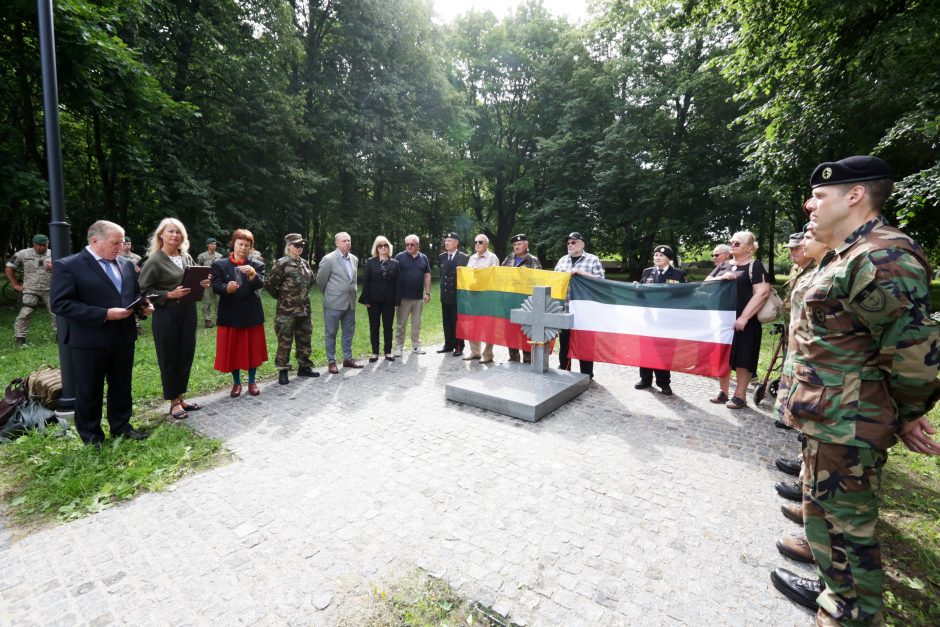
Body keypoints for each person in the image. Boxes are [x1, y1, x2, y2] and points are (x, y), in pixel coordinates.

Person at [770, 156, 940, 626]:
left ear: (855, 195)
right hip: (829, 415)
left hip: (852, 420)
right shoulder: (846, 252)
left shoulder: (882, 257)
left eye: (820, 196)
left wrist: (908, 412)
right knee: (827, 515)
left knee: (848, 527)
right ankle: (835, 592)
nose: (810, 204)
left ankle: (852, 615)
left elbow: (913, 351)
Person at [50, 220, 152, 445]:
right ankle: (92, 437)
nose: (121, 247)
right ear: (94, 240)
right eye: (115, 242)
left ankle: (122, 427)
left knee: (121, 385)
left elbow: (132, 294)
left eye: (123, 242)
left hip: (123, 337)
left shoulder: (125, 264)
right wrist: (104, 314)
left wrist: (142, 306)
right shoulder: (69, 265)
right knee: (89, 390)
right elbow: (61, 304)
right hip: (90, 340)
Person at [772, 228, 832, 564]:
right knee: (810, 443)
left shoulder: (841, 266)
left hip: (836, 384)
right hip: (807, 365)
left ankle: (827, 557)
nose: (799, 247)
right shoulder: (814, 270)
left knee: (837, 478)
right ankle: (806, 486)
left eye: (806, 239)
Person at [139, 218, 209, 420]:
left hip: (188, 312)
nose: (175, 235)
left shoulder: (185, 257)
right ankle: (173, 402)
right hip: (166, 314)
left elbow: (192, 279)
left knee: (185, 354)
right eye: (171, 231)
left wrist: (202, 283)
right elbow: (143, 291)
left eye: (179, 232)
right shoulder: (154, 260)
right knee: (169, 356)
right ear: (161, 234)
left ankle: (181, 396)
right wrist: (168, 295)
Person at [704, 230, 770, 408]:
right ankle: (723, 392)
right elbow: (705, 284)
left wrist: (744, 317)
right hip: (723, 320)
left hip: (745, 321)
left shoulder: (754, 265)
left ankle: (740, 395)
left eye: (737, 243)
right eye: (731, 242)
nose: (732, 245)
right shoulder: (724, 264)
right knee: (723, 355)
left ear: (750, 248)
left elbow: (762, 292)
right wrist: (721, 277)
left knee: (743, 358)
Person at [211, 228, 268, 397]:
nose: (243, 248)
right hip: (230, 314)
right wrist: (226, 288)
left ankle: (252, 382)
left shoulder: (257, 265)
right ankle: (236, 383)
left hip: (251, 314)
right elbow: (215, 285)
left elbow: (260, 284)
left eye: (247, 245)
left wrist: (252, 275)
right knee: (233, 350)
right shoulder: (219, 264)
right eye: (240, 244)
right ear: (233, 244)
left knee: (252, 350)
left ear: (251, 248)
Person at [266, 233, 319, 385]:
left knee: (304, 339)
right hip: (286, 312)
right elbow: (269, 285)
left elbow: (310, 283)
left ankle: (304, 367)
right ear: (288, 246)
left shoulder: (305, 263)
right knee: (285, 341)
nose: (300, 248)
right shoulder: (281, 263)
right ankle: (283, 370)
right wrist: (282, 298)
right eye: (297, 245)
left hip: (304, 310)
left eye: (302, 245)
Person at [634, 245, 687, 395]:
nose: (657, 257)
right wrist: (636, 289)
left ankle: (664, 383)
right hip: (648, 319)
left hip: (667, 321)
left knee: (664, 351)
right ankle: (645, 379)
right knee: (646, 349)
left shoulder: (678, 274)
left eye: (661, 256)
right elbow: (641, 296)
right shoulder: (647, 272)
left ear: (668, 258)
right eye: (656, 255)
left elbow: (684, 297)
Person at [554, 231, 605, 378]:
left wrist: (582, 273)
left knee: (585, 342)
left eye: (573, 242)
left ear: (582, 243)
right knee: (564, 341)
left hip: (585, 310)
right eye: (568, 243)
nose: (570, 245)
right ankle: (564, 368)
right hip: (565, 308)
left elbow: (601, 282)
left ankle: (587, 373)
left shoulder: (593, 260)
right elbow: (555, 282)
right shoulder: (562, 260)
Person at [316, 231, 361, 373]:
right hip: (333, 303)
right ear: (336, 243)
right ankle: (331, 362)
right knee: (331, 333)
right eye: (344, 241)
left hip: (350, 303)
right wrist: (330, 294)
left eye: (349, 240)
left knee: (348, 332)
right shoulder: (328, 259)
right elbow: (320, 281)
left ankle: (348, 359)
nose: (347, 243)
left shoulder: (354, 259)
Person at [6, 234, 56, 346]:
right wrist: (15, 284)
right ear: (34, 244)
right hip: (30, 289)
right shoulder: (23, 254)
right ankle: (20, 339)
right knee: (25, 313)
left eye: (45, 245)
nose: (43, 248)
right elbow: (9, 267)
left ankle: (60, 336)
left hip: (50, 289)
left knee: (56, 313)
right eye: (40, 245)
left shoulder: (54, 254)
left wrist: (54, 267)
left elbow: (67, 269)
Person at [501, 233, 541, 363]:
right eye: (515, 245)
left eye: (519, 244)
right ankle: (513, 358)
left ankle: (528, 360)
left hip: (526, 303)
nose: (516, 247)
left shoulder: (533, 260)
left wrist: (527, 275)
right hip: (509, 301)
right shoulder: (509, 258)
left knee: (525, 331)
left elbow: (539, 281)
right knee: (510, 331)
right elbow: (500, 275)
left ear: (526, 245)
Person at [359, 235, 400, 362]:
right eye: (380, 246)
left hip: (389, 301)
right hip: (373, 301)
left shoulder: (395, 263)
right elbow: (366, 281)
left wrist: (397, 301)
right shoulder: (371, 262)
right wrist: (365, 299)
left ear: (389, 247)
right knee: (374, 327)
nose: (383, 248)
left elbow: (398, 283)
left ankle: (388, 352)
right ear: (376, 248)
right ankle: (375, 353)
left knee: (388, 327)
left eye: (385, 245)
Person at [463, 233, 500, 363]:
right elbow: (467, 275)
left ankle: (488, 354)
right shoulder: (472, 258)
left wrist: (479, 272)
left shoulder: (492, 257)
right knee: (472, 324)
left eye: (480, 242)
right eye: (476, 242)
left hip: (487, 296)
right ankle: (475, 351)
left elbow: (495, 276)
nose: (477, 244)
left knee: (488, 325)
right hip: (473, 296)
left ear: (486, 244)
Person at [393, 234, 431, 356]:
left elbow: (427, 275)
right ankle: (399, 347)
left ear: (418, 245)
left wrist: (428, 292)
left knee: (416, 324)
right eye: (407, 244)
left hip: (418, 297)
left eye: (412, 244)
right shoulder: (399, 257)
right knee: (401, 323)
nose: (409, 246)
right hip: (402, 297)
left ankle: (416, 346)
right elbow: (392, 276)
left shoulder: (424, 258)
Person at [438, 232, 469, 356]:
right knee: (447, 322)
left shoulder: (464, 257)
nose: (446, 243)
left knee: (457, 322)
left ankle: (459, 346)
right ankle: (448, 344)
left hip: (457, 296)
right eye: (446, 241)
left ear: (456, 243)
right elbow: (442, 276)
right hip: (445, 295)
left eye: (449, 241)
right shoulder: (442, 256)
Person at [196, 237, 223, 328]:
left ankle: (220, 319)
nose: (214, 246)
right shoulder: (202, 256)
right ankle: (207, 320)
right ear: (207, 245)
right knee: (206, 302)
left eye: (215, 244)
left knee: (219, 301)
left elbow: (223, 269)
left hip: (218, 282)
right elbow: (198, 269)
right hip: (207, 282)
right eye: (212, 244)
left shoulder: (220, 256)